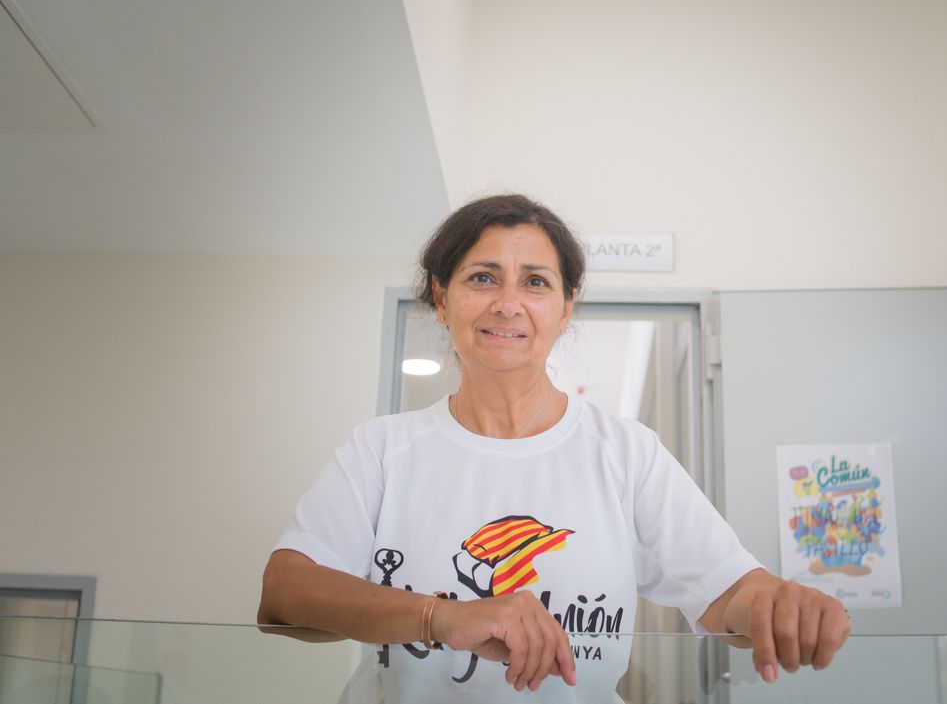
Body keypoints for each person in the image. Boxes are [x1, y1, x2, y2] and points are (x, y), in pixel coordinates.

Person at [258, 194, 851, 702]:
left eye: (535, 282)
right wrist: (447, 617)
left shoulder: (625, 453)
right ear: (442, 299)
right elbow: (285, 592)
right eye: (482, 277)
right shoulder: (383, 449)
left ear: (565, 309)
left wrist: (779, 601)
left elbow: (729, 592)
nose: (507, 303)